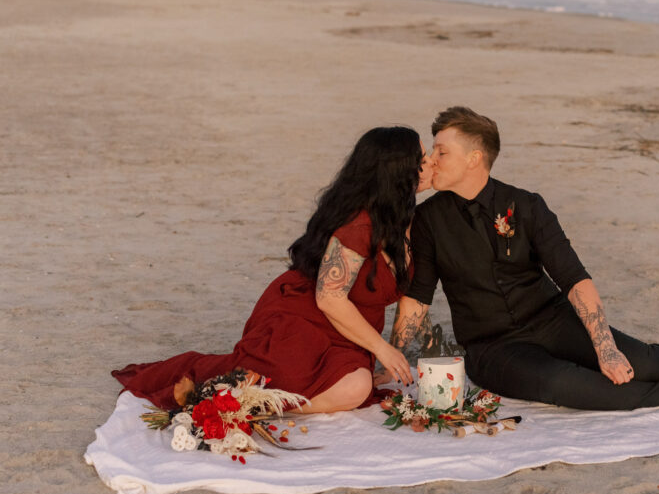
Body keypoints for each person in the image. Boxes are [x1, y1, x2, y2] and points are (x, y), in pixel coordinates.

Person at [390, 107, 659, 411]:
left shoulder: (526, 205)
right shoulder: (426, 220)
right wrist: (390, 358)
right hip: (493, 347)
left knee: (638, 360)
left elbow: (574, 279)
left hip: (553, 320)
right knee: (563, 383)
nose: (430, 161)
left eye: (441, 152)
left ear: (474, 158)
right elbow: (418, 298)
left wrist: (605, 349)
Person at [112, 127, 425, 413]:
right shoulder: (358, 226)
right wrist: (382, 348)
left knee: (356, 386)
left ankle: (257, 401)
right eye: (422, 159)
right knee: (350, 387)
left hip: (349, 332)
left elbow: (414, 295)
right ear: (398, 174)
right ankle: (252, 403)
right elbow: (329, 299)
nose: (430, 163)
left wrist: (390, 352)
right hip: (303, 317)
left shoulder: (407, 219)